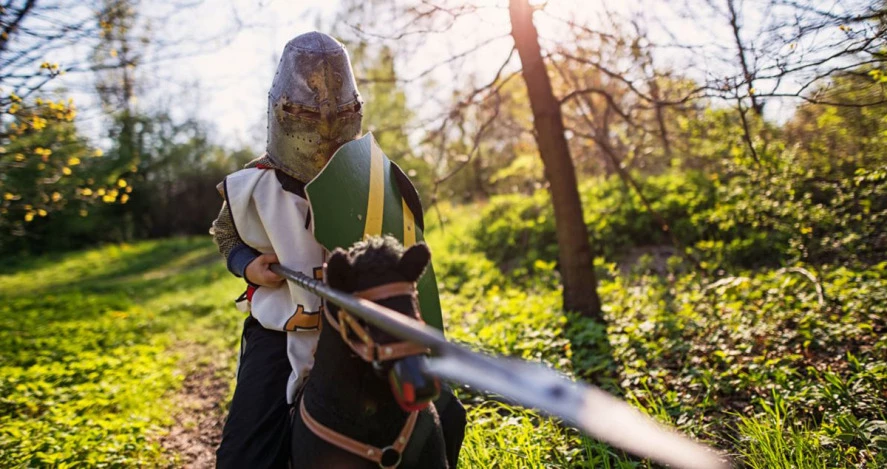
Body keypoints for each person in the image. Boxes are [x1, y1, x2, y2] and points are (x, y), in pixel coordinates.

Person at [210, 31, 363, 468]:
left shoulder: (369, 179)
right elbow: (225, 234)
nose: (324, 127)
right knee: (245, 455)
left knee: (440, 416)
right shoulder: (251, 184)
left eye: (338, 113)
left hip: (359, 329)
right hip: (279, 330)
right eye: (307, 113)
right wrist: (247, 265)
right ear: (283, 110)